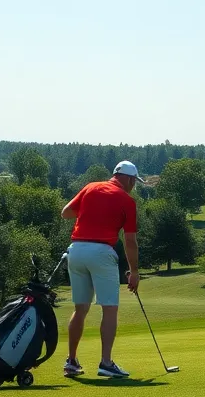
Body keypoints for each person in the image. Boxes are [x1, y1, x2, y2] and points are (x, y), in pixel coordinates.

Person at [60, 160, 143, 379]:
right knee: (109, 308)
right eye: (134, 181)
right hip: (101, 252)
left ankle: (71, 361)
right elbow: (130, 241)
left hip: (76, 250)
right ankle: (106, 363)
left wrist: (92, 211)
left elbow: (66, 213)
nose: (134, 185)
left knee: (80, 309)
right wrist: (134, 272)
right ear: (128, 179)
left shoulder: (90, 187)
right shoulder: (127, 201)